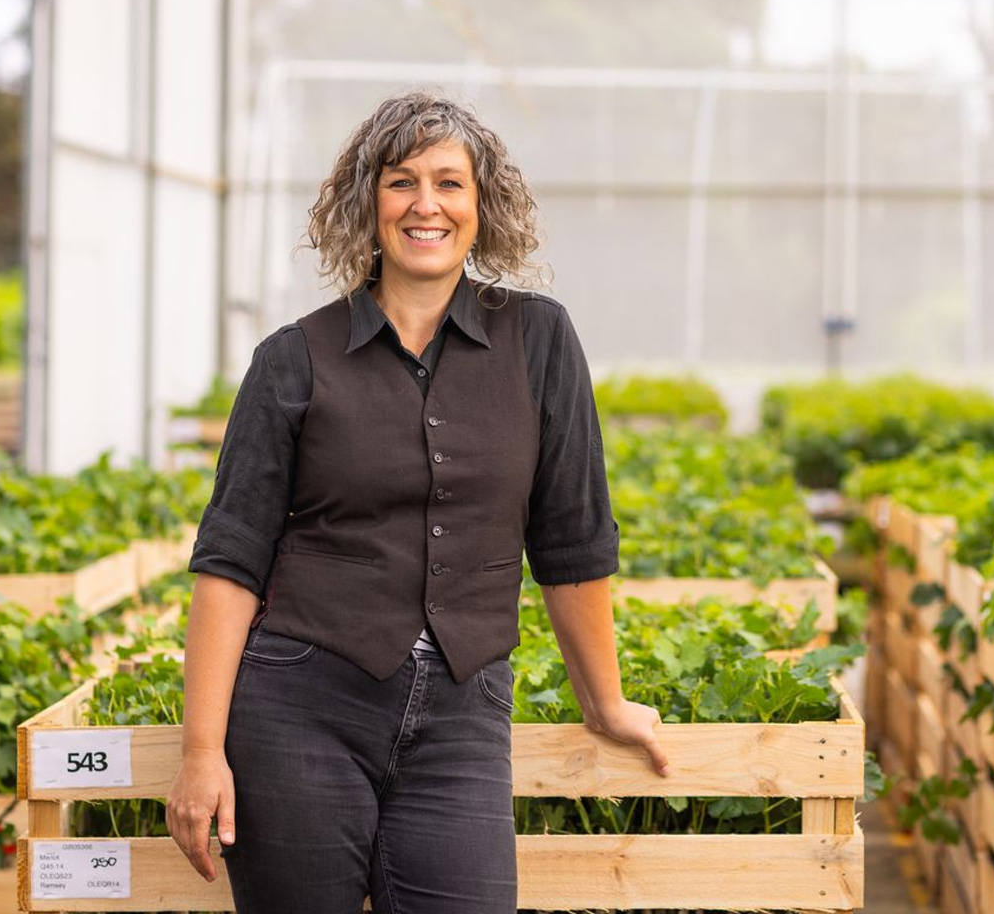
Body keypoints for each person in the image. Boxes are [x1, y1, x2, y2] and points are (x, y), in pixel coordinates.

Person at [167, 90, 669, 914]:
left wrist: (604, 702)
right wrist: (201, 752)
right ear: (368, 204)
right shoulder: (292, 361)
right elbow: (231, 561)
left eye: (449, 183)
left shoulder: (538, 341)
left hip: (463, 716)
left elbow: (573, 539)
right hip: (300, 708)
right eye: (401, 182)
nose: (425, 205)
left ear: (481, 207)